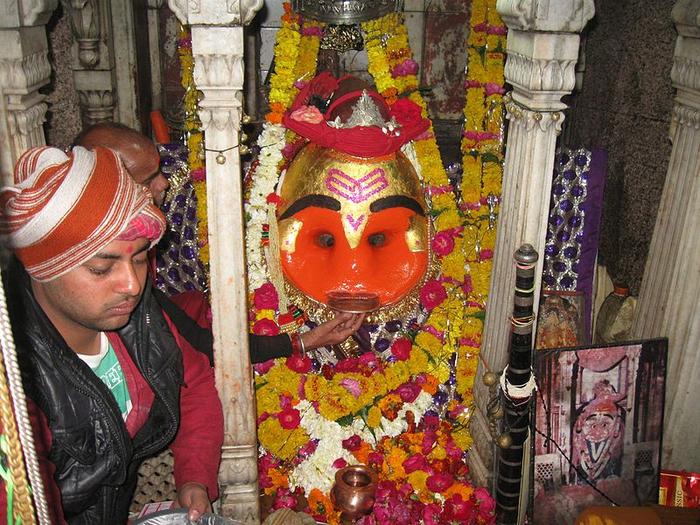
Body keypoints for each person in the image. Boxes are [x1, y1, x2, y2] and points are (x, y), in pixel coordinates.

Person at [0, 146, 224, 524]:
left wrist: (194, 477)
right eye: (103, 268)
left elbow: (195, 385)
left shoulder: (139, 318)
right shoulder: (17, 383)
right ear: (44, 269)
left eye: (138, 258)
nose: (133, 285)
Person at [74, 121, 365, 363]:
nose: (163, 184)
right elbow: (199, 345)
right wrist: (301, 342)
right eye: (148, 178)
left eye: (160, 171)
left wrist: (305, 341)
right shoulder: (82, 267)